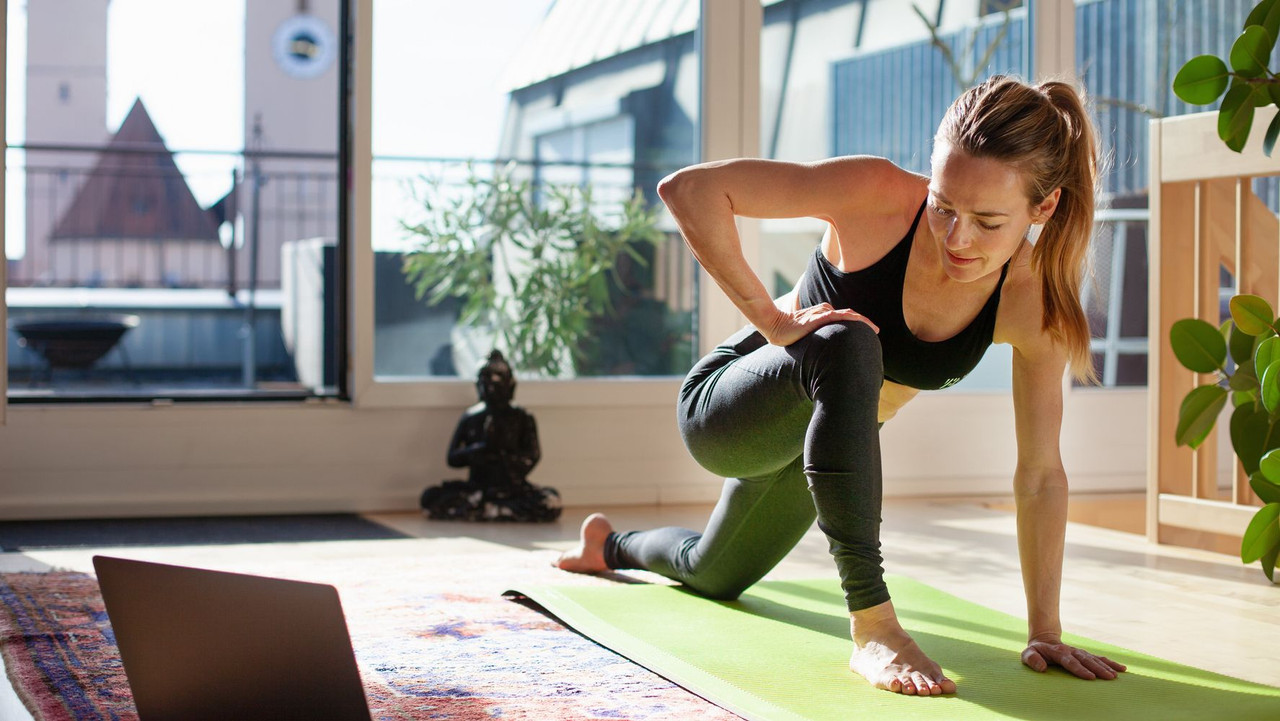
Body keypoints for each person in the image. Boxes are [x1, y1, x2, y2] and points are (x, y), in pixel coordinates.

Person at [556, 75, 1128, 696]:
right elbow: (691, 190)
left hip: (826, 455)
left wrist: (1044, 628)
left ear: (1042, 209)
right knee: (855, 342)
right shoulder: (876, 194)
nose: (956, 238)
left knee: (712, 573)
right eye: (943, 206)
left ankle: (607, 546)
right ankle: (874, 626)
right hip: (727, 412)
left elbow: (1041, 473)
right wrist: (772, 321)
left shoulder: (1033, 304)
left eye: (988, 222)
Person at [420, 349, 561, 522]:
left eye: (496, 384)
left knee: (550, 500)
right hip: (478, 487)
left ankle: (487, 509)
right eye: (485, 383)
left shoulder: (522, 417)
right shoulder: (472, 417)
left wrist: (504, 456)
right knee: (430, 497)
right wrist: (481, 449)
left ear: (509, 384)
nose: (490, 389)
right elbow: (453, 459)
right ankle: (495, 509)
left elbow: (533, 455)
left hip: (513, 488)